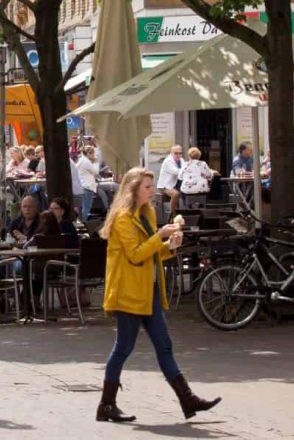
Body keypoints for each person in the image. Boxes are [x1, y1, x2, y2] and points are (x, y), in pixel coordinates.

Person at [97, 168, 219, 423]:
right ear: (133, 190)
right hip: (129, 292)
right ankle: (106, 405)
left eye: (152, 186)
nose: (152, 192)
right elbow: (135, 254)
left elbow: (151, 252)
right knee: (123, 348)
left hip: (148, 290)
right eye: (147, 187)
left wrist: (170, 246)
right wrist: (160, 235)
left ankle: (187, 399)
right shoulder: (122, 218)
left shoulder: (147, 213)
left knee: (164, 345)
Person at [155, 146, 183, 216]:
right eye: (176, 153)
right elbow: (177, 172)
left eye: (180, 153)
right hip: (165, 186)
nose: (178, 155)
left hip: (175, 184)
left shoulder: (181, 160)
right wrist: (187, 170)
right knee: (175, 194)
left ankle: (182, 213)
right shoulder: (168, 161)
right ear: (171, 153)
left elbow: (185, 169)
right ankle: (172, 214)